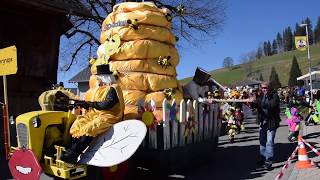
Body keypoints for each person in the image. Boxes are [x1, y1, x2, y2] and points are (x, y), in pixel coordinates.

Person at [60, 64, 125, 164]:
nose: (98, 80)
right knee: (78, 123)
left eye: (99, 78)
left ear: (105, 78)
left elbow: (106, 105)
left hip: (109, 115)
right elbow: (95, 104)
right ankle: (71, 150)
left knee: (91, 127)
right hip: (96, 114)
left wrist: (90, 104)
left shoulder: (114, 88)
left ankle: (74, 154)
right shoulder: (101, 89)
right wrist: (84, 104)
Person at [252, 82, 281, 170]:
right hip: (262, 121)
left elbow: (271, 105)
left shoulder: (274, 95)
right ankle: (263, 158)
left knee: (269, 142)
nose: (264, 89)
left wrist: (259, 103)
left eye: (265, 88)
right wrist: (251, 102)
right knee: (262, 141)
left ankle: (268, 161)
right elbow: (256, 105)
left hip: (272, 122)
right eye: (263, 88)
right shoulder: (260, 96)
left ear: (269, 88)